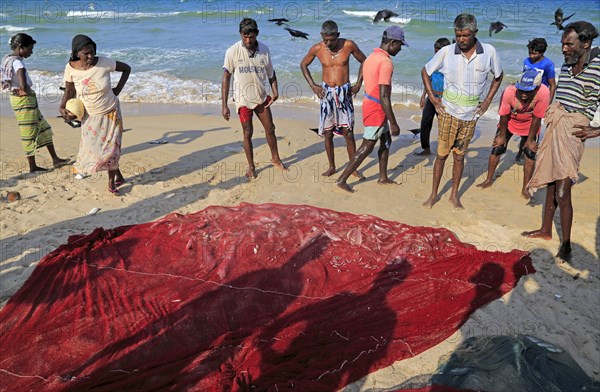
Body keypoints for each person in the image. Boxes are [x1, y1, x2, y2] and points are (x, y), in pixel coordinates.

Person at [522, 21, 600, 261]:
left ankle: (566, 245)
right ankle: (546, 230)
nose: (564, 48)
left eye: (569, 44)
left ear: (585, 43)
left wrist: (597, 130)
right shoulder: (566, 67)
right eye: (563, 44)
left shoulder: (598, 67)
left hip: (574, 132)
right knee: (551, 182)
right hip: (555, 126)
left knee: (564, 191)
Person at [422, 13, 503, 209]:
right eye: (458, 35)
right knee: (441, 156)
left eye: (465, 35)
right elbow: (425, 71)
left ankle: (454, 195)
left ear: (475, 32)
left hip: (470, 116)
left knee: (459, 156)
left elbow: (498, 76)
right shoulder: (447, 51)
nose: (461, 39)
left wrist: (487, 102)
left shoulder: (489, 51)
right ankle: (433, 194)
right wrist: (433, 98)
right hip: (448, 113)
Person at [335, 26, 408, 193]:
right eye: (400, 45)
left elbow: (364, 71)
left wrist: (359, 83)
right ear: (392, 42)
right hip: (377, 108)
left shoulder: (372, 57)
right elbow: (384, 95)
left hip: (371, 103)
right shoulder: (386, 62)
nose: (400, 48)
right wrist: (394, 122)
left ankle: (383, 177)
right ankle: (342, 179)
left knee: (386, 141)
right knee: (367, 146)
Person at [59, 34, 130, 195]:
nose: (90, 56)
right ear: (77, 53)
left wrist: (117, 90)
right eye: (86, 53)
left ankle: (112, 182)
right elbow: (70, 90)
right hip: (89, 116)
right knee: (94, 149)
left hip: (111, 112)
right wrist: (62, 107)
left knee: (112, 149)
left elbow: (127, 68)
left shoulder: (104, 63)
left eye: (92, 52)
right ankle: (118, 174)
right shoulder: (70, 68)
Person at [222, 18, 287, 179]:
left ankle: (275, 158)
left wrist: (275, 90)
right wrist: (224, 105)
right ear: (240, 34)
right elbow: (226, 77)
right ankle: (251, 167)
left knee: (270, 128)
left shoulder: (264, 50)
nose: (248, 40)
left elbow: (271, 73)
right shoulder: (232, 51)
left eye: (250, 36)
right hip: (243, 100)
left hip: (261, 97)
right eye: (244, 36)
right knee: (247, 132)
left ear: (256, 34)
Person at [300, 20, 367, 178]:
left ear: (338, 35)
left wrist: (359, 83)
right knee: (328, 133)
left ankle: (353, 167)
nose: (329, 43)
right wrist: (313, 85)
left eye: (332, 39)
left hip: (344, 93)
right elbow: (303, 64)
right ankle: (332, 166)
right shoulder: (317, 48)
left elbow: (365, 60)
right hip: (327, 94)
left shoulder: (348, 45)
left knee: (348, 132)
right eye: (326, 40)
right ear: (322, 36)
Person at [476, 70, 550, 199]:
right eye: (521, 90)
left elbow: (537, 118)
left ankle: (525, 188)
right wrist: (502, 137)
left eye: (528, 92)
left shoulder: (544, 92)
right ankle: (488, 180)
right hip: (509, 121)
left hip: (530, 123)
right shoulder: (509, 91)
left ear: (536, 88)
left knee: (530, 153)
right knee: (497, 148)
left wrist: (530, 140)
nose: (523, 95)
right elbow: (504, 115)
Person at [1, 33, 69, 173]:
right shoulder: (18, 62)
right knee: (28, 132)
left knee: (44, 127)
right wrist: (24, 89)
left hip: (19, 100)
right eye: (30, 49)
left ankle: (55, 159)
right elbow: (22, 80)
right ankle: (33, 167)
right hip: (24, 101)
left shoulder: (7, 58)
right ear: (21, 47)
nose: (31, 52)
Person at [513, 37, 557, 165]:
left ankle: (529, 155)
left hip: (539, 99)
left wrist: (548, 103)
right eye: (530, 53)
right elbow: (523, 78)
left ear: (542, 52)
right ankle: (520, 154)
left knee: (534, 130)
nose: (531, 56)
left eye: (535, 53)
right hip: (525, 98)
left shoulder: (548, 64)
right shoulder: (526, 61)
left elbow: (552, 84)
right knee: (524, 129)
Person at [414, 37, 451, 156]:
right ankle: (426, 148)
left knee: (444, 125)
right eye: (435, 51)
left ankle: (446, 149)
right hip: (431, 97)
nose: (436, 54)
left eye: (438, 51)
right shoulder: (431, 61)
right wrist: (423, 95)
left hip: (445, 99)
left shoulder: (451, 64)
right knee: (425, 122)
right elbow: (427, 79)